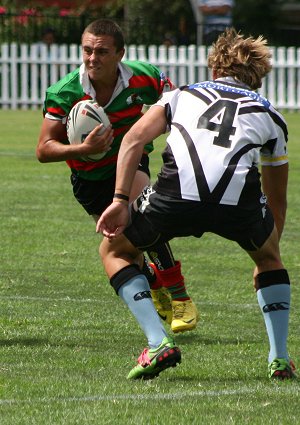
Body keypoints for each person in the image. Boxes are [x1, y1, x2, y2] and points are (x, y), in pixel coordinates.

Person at [97, 28, 297, 380]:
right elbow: (277, 196)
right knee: (269, 261)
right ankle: (279, 359)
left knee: (114, 251)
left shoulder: (180, 96)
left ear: (215, 68)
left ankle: (158, 342)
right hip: (239, 206)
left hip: (174, 198)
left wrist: (119, 200)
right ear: (258, 76)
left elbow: (132, 140)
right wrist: (268, 253)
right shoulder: (271, 116)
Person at [36, 19, 199, 333]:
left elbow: (178, 104)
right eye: (87, 50)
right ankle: (153, 282)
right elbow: (43, 149)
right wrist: (83, 148)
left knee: (140, 218)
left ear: (120, 54)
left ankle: (180, 297)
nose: (92, 58)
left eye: (102, 51)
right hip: (90, 181)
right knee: (128, 247)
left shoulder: (146, 78)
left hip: (132, 163)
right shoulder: (65, 91)